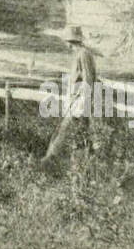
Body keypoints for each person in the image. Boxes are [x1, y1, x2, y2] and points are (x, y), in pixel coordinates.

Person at [42, 26, 99, 163]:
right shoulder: (80, 54)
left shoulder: (83, 55)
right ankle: (86, 163)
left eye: (67, 41)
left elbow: (88, 80)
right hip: (76, 101)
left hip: (79, 102)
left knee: (63, 132)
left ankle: (49, 160)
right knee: (81, 134)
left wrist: (82, 103)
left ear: (70, 41)